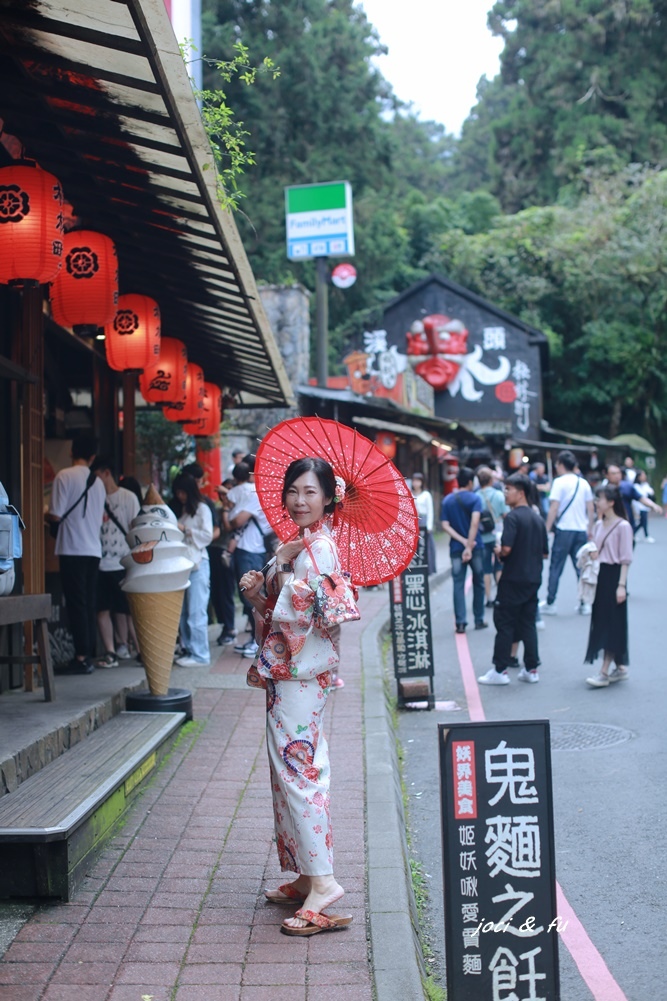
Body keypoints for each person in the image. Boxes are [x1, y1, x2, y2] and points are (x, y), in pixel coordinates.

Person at [239, 457, 353, 937]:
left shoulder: (320, 549)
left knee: (301, 772)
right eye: (293, 491)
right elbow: (283, 615)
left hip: (302, 679)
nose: (300, 500)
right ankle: (307, 873)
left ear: (329, 498)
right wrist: (259, 594)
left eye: (310, 492)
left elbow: (321, 616)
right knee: (286, 772)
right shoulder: (303, 547)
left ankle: (324, 883)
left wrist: (280, 574)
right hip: (291, 676)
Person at [478, 474, 549, 686]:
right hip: (532, 578)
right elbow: (545, 553)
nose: (505, 493)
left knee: (505, 622)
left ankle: (500, 669)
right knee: (528, 623)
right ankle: (531, 668)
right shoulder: (537, 518)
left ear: (521, 493)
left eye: (508, 489)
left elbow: (506, 549)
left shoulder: (512, 517)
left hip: (513, 578)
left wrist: (500, 551)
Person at [46, 433, 106, 674]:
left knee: (76, 602)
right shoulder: (99, 482)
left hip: (72, 547)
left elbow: (55, 515)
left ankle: (81, 657)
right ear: (92, 457)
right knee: (88, 602)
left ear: (72, 451)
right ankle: (88, 653)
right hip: (93, 549)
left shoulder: (64, 476)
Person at [91, 457, 140, 666]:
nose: (95, 481)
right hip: (99, 560)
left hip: (123, 561)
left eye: (97, 476)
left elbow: (135, 529)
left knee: (126, 610)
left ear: (106, 473)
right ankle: (111, 652)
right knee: (102, 608)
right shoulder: (93, 497)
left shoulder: (127, 497)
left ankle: (135, 649)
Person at [584, 485, 633, 687]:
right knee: (602, 618)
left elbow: (625, 559)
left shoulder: (623, 526)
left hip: (614, 576)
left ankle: (604, 671)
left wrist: (621, 585)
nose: (597, 502)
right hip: (600, 576)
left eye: (600, 499)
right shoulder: (598, 524)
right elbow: (596, 550)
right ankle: (620, 667)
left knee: (612, 621)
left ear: (611, 502)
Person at [227, 461, 273, 659]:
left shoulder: (256, 495)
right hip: (258, 549)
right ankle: (257, 639)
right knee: (254, 593)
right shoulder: (265, 495)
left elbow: (236, 521)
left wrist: (226, 509)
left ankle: (259, 640)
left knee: (251, 593)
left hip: (248, 549)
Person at [541, 450, 594, 615]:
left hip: (564, 530)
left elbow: (554, 508)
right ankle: (585, 602)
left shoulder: (559, 482)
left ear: (561, 465)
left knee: (556, 567)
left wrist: (546, 529)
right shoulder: (583, 483)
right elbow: (590, 508)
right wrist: (589, 529)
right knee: (582, 568)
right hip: (580, 530)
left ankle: (551, 602)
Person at [171, 473, 214, 667]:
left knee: (196, 611)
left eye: (182, 492)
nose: (179, 496)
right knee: (187, 612)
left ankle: (200, 654)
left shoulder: (202, 509)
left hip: (198, 564)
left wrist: (184, 529)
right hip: (187, 565)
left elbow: (207, 535)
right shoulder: (187, 512)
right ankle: (190, 649)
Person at [440, 466, 486, 634]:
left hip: (456, 548)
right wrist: (469, 544)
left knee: (458, 584)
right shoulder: (475, 499)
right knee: (479, 582)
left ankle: (460, 622)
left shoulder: (447, 500)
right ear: (469, 482)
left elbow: (445, 525)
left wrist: (461, 541)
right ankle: (479, 619)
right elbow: (475, 523)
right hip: (476, 547)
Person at [476, 465, 507, 607]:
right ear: (491, 481)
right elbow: (506, 515)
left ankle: (488, 598)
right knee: (499, 567)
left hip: (482, 537)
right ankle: (501, 596)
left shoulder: (475, 497)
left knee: (486, 569)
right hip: (498, 535)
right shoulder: (499, 495)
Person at [605, 464, 661, 535]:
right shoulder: (604, 490)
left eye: (618, 473)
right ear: (607, 475)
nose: (617, 475)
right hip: (610, 524)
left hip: (627, 523)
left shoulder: (628, 487)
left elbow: (641, 498)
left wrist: (653, 505)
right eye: (613, 473)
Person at [410, 472, 436, 575]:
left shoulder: (426, 495)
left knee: (426, 545)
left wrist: (429, 525)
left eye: (418, 481)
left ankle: (429, 568)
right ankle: (416, 566)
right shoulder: (410, 494)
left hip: (424, 521)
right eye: (414, 481)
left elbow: (430, 511)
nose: (416, 483)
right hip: (414, 521)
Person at [632, 470, 655, 542]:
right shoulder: (636, 486)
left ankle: (633, 534)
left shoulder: (645, 484)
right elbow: (642, 496)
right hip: (640, 507)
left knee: (643, 522)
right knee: (643, 522)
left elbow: (651, 492)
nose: (644, 477)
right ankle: (645, 535)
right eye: (643, 475)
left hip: (645, 506)